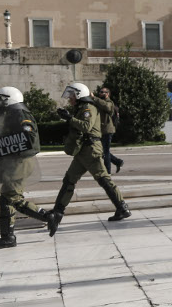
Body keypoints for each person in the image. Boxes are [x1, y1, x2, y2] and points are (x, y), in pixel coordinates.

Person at [46, 83, 131, 237]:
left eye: (72, 95)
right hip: (83, 151)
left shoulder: (88, 107)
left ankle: (122, 207)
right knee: (69, 180)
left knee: (103, 179)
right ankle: (57, 212)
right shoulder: (81, 107)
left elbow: (86, 126)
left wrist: (69, 118)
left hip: (90, 150)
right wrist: (68, 117)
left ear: (79, 95)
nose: (70, 98)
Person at [0, 87, 54, 248]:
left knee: (9, 199)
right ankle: (9, 236)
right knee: (10, 199)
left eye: (0, 99)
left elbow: (27, 137)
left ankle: (47, 217)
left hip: (19, 163)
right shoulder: (10, 114)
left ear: (9, 99)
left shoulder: (21, 115)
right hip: (13, 163)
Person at [91, 87, 124, 174]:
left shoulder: (109, 103)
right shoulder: (99, 103)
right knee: (102, 151)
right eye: (100, 92)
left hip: (108, 130)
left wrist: (94, 98)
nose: (100, 93)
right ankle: (118, 162)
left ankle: (107, 171)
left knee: (105, 152)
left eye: (103, 92)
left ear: (107, 94)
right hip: (101, 130)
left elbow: (107, 107)